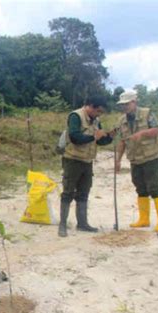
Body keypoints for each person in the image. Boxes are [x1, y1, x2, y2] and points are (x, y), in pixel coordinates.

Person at [58, 95, 114, 237]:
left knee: (84, 193)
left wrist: (109, 137)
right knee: (68, 192)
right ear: (90, 106)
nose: (99, 114)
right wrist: (94, 137)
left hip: (88, 161)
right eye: (98, 111)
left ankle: (82, 224)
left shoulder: (96, 120)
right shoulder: (75, 116)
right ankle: (62, 225)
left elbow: (99, 142)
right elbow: (75, 138)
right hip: (73, 160)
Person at [115, 90, 158, 233]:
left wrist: (142, 133)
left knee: (154, 188)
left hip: (151, 157)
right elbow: (122, 141)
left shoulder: (147, 113)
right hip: (135, 159)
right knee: (140, 188)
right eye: (122, 104)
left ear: (134, 102)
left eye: (127, 104)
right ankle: (144, 219)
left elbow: (156, 130)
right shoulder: (121, 120)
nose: (124, 107)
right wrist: (118, 160)